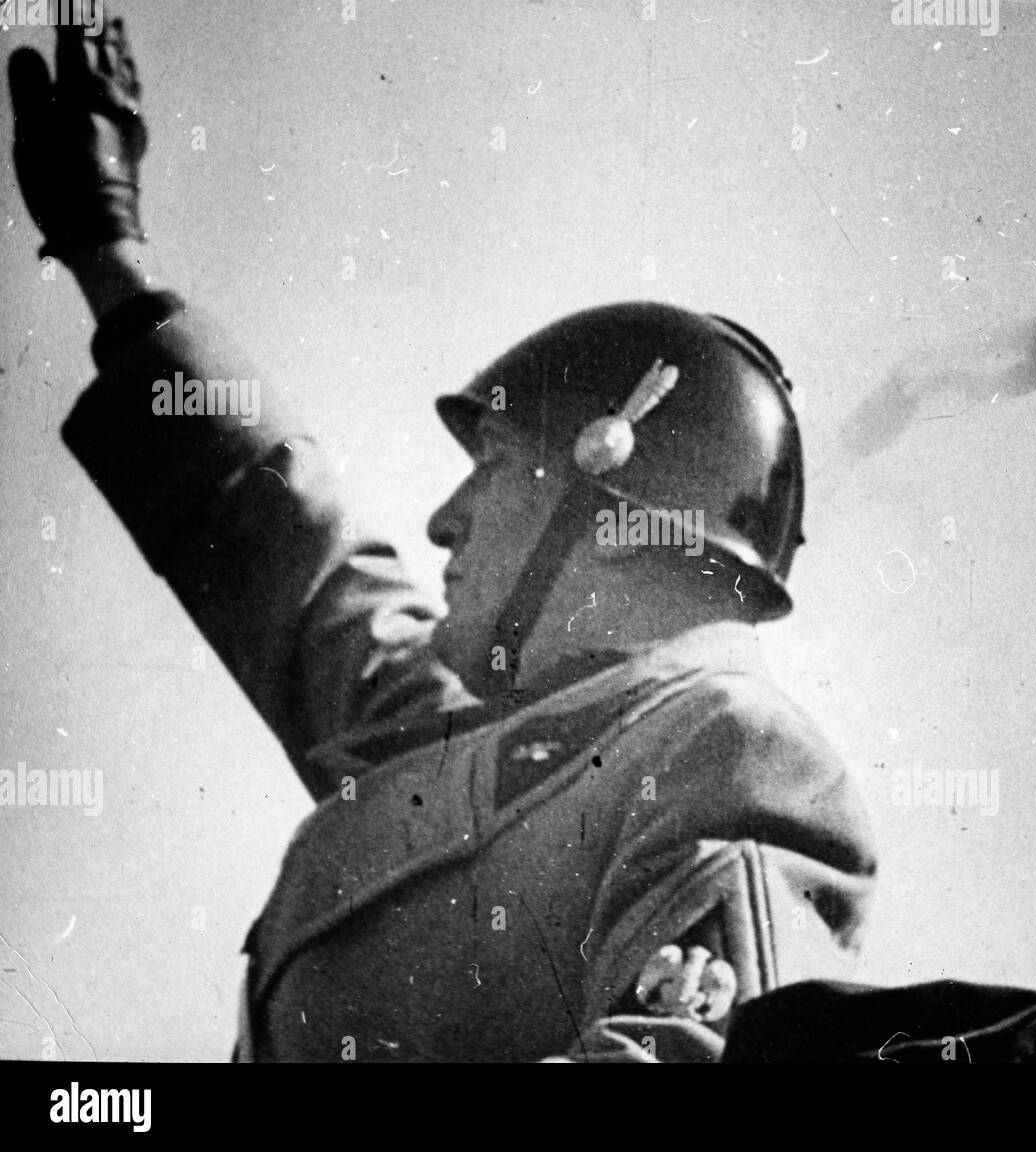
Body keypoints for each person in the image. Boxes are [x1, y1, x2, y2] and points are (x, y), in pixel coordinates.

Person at [8, 7, 879, 1061]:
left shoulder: (724, 750)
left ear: (609, 509)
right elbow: (292, 546)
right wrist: (112, 258)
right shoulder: (453, 736)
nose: (443, 518)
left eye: (497, 470)